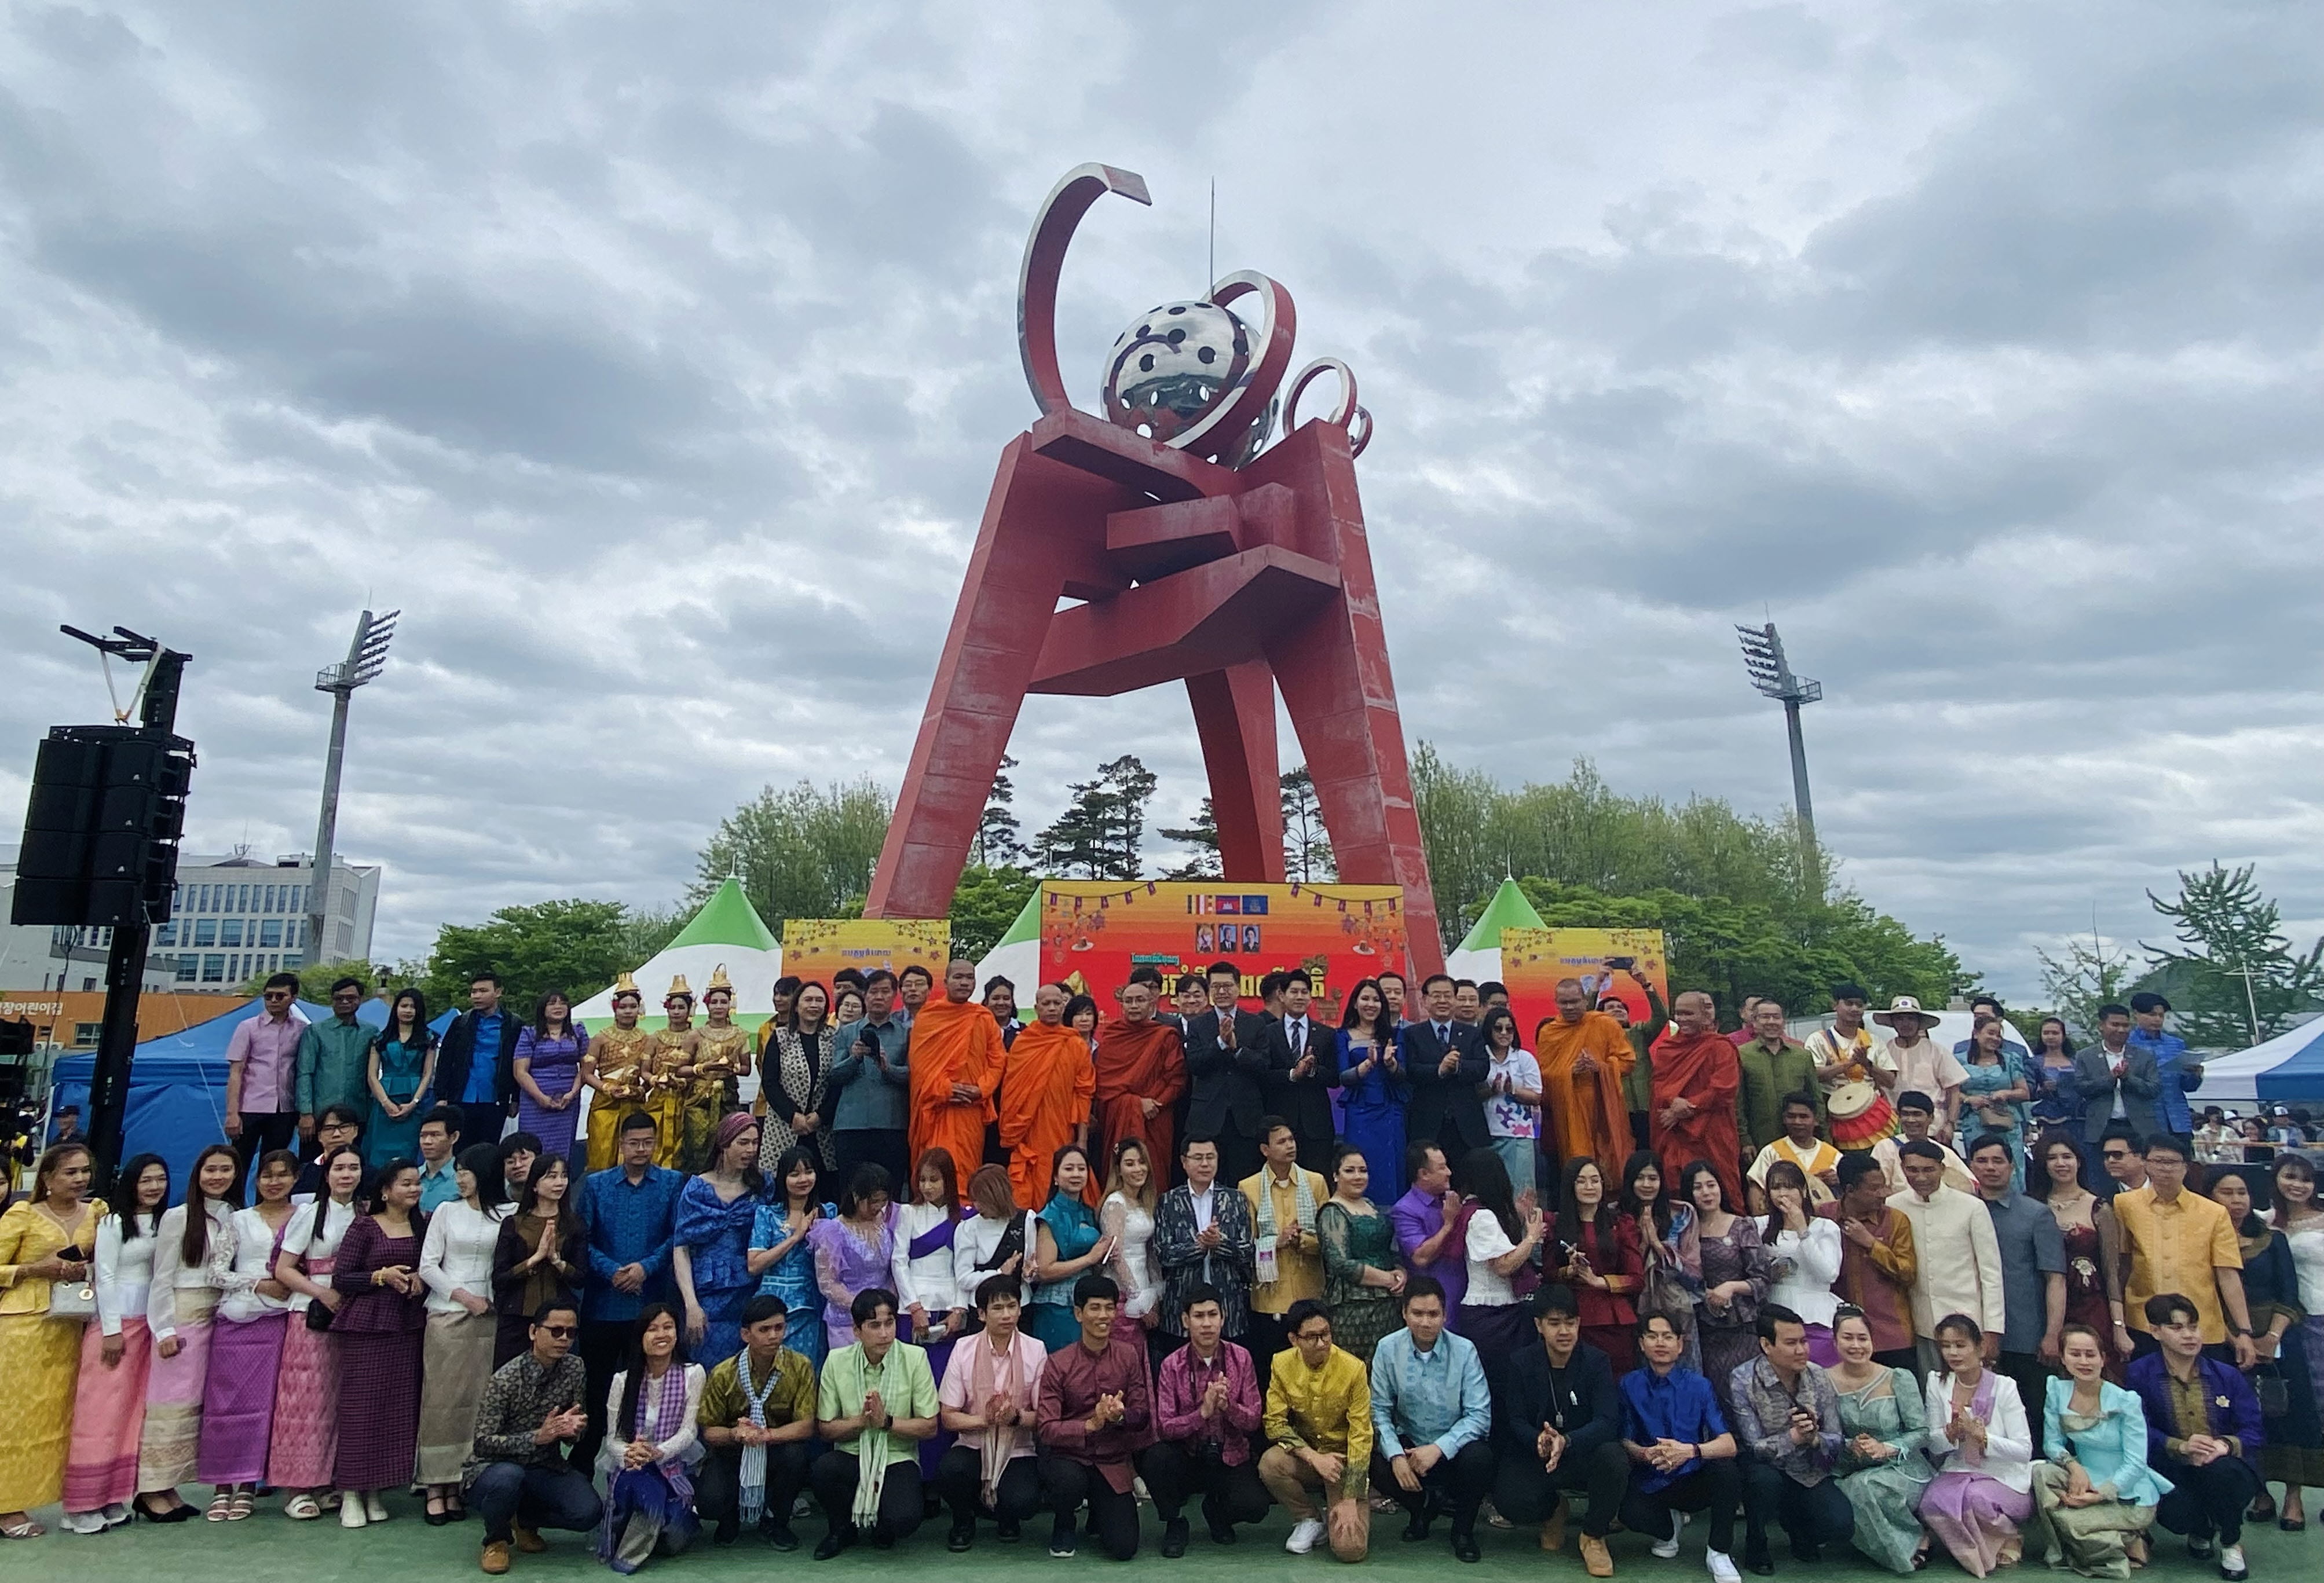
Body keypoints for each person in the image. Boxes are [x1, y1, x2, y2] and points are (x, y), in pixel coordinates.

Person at [0, 1141, 100, 1539]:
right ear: (47, 1178)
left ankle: (44, 1496)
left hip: (71, 1325)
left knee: (53, 1419)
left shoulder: (98, 1213)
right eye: (70, 1173)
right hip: (22, 1326)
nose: (79, 1179)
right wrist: (36, 1269)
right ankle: (7, 1507)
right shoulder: (23, 1214)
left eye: (84, 1171)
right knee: (14, 1419)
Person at [2209, 1167, 2319, 1526]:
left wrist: (2270, 1338)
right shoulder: (2204, 1241)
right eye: (2227, 1193)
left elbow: (2289, 1295)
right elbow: (2206, 1297)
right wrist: (2236, 1337)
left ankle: (2293, 1497)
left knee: (2290, 1414)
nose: (2236, 1201)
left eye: (2242, 1193)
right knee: (2243, 1418)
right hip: (2227, 1342)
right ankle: (2260, 1493)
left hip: (2280, 1337)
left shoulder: (2273, 1240)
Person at [1492, 1283, 1625, 1574]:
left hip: (1580, 1451)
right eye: (1555, 1323)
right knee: (1508, 1499)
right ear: (1539, 1325)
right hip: (1539, 1454)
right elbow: (1514, 1421)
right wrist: (1537, 1439)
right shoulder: (1520, 1362)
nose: (1564, 1331)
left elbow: (1607, 1421)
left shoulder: (1596, 1362)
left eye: (1570, 1322)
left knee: (1615, 1457)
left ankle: (1593, 1535)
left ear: (1579, 1323)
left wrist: (1568, 1441)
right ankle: (1554, 1511)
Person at [463, 1298, 602, 1575]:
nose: (564, 1339)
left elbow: (576, 1421)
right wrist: (536, 1437)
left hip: (544, 1466)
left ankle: (523, 1519)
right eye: (556, 1331)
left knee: (588, 1512)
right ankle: (496, 1539)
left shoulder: (575, 1368)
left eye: (571, 1333)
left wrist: (573, 1431)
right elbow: (482, 1442)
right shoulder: (505, 1378)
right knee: (507, 1479)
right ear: (533, 1332)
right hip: (493, 1467)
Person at [63, 1153, 164, 1531]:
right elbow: (104, 1278)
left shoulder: (163, 1223)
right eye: (146, 1180)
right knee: (99, 1413)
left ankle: (112, 1496)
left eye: (160, 1180)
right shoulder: (113, 1222)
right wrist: (110, 1330)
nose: (154, 1187)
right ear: (131, 1184)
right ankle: (80, 1503)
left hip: (147, 1328)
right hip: (115, 1327)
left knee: (130, 1414)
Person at [2129, 1293, 2261, 1580]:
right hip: (2171, 1467)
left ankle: (2230, 1541)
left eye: (2193, 1327)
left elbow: (2254, 1429)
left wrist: (2223, 1445)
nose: (2189, 1336)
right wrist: (2180, 1446)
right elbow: (2136, 1428)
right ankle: (2201, 1528)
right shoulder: (2138, 1375)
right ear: (2155, 1331)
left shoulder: (2227, 1375)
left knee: (2222, 1472)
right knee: (2177, 1515)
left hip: (2224, 1467)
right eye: (2177, 1328)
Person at [577, 1111, 683, 1468]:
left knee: (647, 1388)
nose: (641, 1149)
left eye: (648, 1143)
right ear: (620, 1144)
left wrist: (645, 1267)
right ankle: (586, 1464)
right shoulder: (596, 1185)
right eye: (634, 1143)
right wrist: (612, 1271)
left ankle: (648, 1461)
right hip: (603, 1305)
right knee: (599, 1389)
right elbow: (582, 1240)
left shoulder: (672, 1183)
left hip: (651, 1305)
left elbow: (678, 1239)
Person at [198, 1147, 299, 1518]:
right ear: (257, 1181)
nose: (275, 1182)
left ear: (295, 1179)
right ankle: (221, 1485)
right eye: (267, 1175)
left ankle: (248, 1486)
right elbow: (216, 1273)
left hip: (281, 1322)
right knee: (226, 1406)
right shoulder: (239, 1220)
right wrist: (259, 1284)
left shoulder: (305, 1217)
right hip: (238, 1321)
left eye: (282, 1175)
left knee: (265, 1408)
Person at [331, 1158, 429, 1528]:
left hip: (408, 1327)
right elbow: (342, 1278)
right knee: (361, 1409)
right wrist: (380, 1276)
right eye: (406, 1183)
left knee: (395, 1409)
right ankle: (351, 1491)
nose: (414, 1189)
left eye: (417, 1183)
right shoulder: (365, 1227)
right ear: (385, 1191)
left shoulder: (425, 1224)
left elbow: (434, 1265)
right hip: (368, 1327)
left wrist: (421, 1278)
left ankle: (376, 1489)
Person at [266, 1144, 363, 1518]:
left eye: (354, 1168)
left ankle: (328, 1479)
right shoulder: (309, 1214)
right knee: (303, 1402)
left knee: (338, 1401)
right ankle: (296, 1487)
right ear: (327, 1174)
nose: (347, 1175)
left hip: (351, 1314)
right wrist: (321, 1292)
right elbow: (285, 1269)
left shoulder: (365, 1213)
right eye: (340, 1168)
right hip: (310, 1312)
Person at [141, 1142, 236, 1515]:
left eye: (225, 1170)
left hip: (220, 1314)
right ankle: (151, 1489)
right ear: (197, 1175)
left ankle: (172, 1488)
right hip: (183, 1313)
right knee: (170, 1403)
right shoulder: (178, 1217)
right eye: (210, 1170)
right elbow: (161, 1278)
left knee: (197, 1404)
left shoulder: (234, 1214)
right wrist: (163, 1329)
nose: (218, 1177)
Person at [1369, 1276, 1492, 1562]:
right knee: (1376, 1461)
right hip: (1410, 1447)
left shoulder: (1465, 1351)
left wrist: (1439, 1449)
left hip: (1453, 1450)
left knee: (1481, 1458)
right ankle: (1421, 1510)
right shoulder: (1387, 1349)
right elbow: (1379, 1410)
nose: (1426, 1322)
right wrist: (1397, 1455)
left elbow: (1480, 1416)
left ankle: (1463, 1531)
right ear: (1404, 1314)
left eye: (1433, 1314)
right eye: (1418, 1314)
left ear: (1445, 1315)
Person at [418, 1142, 511, 1520]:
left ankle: (459, 1483)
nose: (459, 1178)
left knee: (477, 1402)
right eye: (457, 1171)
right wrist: (463, 1297)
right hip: (447, 1314)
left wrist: (485, 1302)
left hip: (490, 1318)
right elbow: (428, 1266)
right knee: (440, 1400)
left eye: (466, 1171)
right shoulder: (445, 1211)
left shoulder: (509, 1212)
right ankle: (433, 1486)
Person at [1143, 1281, 1271, 1553]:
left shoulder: (1242, 1358)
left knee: (1255, 1506)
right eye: (1199, 1316)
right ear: (1185, 1321)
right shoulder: (1171, 1365)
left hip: (1230, 1456)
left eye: (1213, 1315)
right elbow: (1164, 1427)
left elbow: (1254, 1420)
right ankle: (1175, 1523)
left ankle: (1218, 1513)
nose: (1207, 1324)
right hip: (1188, 1455)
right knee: (1156, 1458)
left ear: (1223, 1318)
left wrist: (1228, 1407)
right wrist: (1202, 1412)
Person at [2034, 1321, 2169, 1579]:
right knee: (2042, 1473)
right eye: (2075, 1354)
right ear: (2063, 1358)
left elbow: (2136, 1463)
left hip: (2129, 1492)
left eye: (2090, 1354)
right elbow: (2052, 1443)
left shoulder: (2125, 1401)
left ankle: (2121, 1542)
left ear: (2103, 1359)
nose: (2084, 1361)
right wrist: (2075, 1468)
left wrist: (2101, 1495)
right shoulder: (2057, 1391)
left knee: (2071, 1524)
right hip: (2084, 1478)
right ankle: (2117, 1541)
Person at [813, 1285, 940, 1556]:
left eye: (889, 1323)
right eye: (874, 1325)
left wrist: (887, 1422)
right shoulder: (837, 1361)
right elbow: (826, 1429)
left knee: (902, 1519)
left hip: (897, 1457)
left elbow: (930, 1426)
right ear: (857, 1331)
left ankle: (884, 1526)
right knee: (824, 1468)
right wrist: (863, 1421)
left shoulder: (915, 1358)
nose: (884, 1333)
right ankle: (841, 1530)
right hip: (852, 1453)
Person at [1619, 1309, 1744, 1583]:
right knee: (1627, 1511)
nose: (1660, 1343)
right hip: (1650, 1477)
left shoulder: (1700, 1386)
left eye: (1667, 1337)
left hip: (1691, 1478)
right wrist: (1644, 1453)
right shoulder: (1629, 1384)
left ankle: (1719, 1552)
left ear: (1680, 1344)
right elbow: (1624, 1438)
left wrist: (1689, 1451)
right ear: (1642, 1344)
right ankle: (1667, 1528)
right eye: (1652, 1337)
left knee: (1727, 1471)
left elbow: (1728, 1443)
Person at [1031, 1273, 1149, 1559]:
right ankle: (1064, 1521)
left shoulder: (1129, 1355)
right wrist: (1090, 1425)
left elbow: (1142, 1414)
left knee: (1124, 1549)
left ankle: (1100, 1511)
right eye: (1095, 1308)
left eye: (1110, 1308)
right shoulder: (1058, 1363)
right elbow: (1046, 1428)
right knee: (1066, 1480)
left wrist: (1120, 1417)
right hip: (1069, 1458)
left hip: (1111, 1460)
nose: (1104, 1316)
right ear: (1078, 1313)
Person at [2112, 1132, 2255, 1365]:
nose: (2165, 1168)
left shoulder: (2214, 1213)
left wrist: (2244, 1332)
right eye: (2158, 1161)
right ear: (2145, 1164)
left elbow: (2228, 1275)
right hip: (2144, 1323)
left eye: (2173, 1162)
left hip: (2201, 1325)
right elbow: (2122, 1267)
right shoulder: (2124, 1204)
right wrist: (2118, 1324)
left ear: (2186, 1167)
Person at [1728, 1303, 1852, 1571]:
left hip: (1808, 1469)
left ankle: (1800, 1530)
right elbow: (1753, 1446)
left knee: (1840, 1525)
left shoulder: (1818, 1375)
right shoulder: (1743, 1379)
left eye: (1804, 1341)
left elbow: (1837, 1438)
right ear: (1766, 1345)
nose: (1802, 1350)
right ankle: (1757, 1543)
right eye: (1791, 1343)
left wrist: (1814, 1439)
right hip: (1765, 1468)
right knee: (1762, 1480)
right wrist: (1793, 1437)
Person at [696, 1293, 817, 1551]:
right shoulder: (723, 1373)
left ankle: (778, 1522)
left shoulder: (801, 1366)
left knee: (796, 1457)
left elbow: (806, 1426)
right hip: (734, 1451)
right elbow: (709, 1431)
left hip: (776, 1448)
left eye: (779, 1328)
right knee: (709, 1501)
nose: (774, 1336)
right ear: (745, 1335)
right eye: (764, 1330)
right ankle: (729, 1519)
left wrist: (767, 1436)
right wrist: (735, 1434)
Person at [1920, 1311, 2036, 1577]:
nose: (1953, 1353)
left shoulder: (2005, 1387)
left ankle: (2009, 1537)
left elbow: (2024, 1451)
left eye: (1960, 1345)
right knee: (1932, 1502)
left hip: (2004, 1475)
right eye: (1946, 1346)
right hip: (1957, 1470)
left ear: (1980, 1347)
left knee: (1974, 1500)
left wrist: (1983, 1438)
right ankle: (1975, 1547)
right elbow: (1935, 1445)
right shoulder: (1937, 1384)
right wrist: (1950, 1434)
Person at [935, 1274, 1046, 1549]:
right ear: (982, 1314)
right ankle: (963, 1521)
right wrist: (983, 1420)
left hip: (1018, 1449)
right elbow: (948, 1416)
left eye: (1012, 1307)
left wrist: (1015, 1417)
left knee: (1024, 1501)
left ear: (1021, 1309)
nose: (1007, 1315)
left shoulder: (1036, 1349)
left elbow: (1044, 1417)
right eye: (997, 1308)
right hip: (973, 1444)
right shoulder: (964, 1349)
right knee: (951, 1470)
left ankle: (1007, 1517)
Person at [1258, 1298, 1373, 1560]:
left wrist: (1351, 1498)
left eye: (1326, 1334)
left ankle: (1347, 1504)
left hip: (1342, 1462)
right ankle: (1309, 1518)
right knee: (1270, 1463)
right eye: (1312, 1337)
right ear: (1294, 1339)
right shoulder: (1281, 1364)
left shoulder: (1354, 1369)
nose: (1321, 1343)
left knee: (1350, 1551)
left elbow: (1361, 1436)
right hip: (1309, 1455)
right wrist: (1312, 1457)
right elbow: (1274, 1423)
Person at [1826, 1305, 1933, 1575]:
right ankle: (1888, 1549)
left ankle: (1913, 1543)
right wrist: (1851, 1445)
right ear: (1835, 1340)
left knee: (1867, 1487)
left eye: (1862, 1338)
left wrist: (1887, 1447)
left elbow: (1921, 1431)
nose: (1856, 1345)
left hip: (1901, 1465)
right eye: (1848, 1338)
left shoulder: (1898, 1377)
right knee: (1851, 1487)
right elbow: (1823, 1433)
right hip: (1850, 1465)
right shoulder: (1822, 1381)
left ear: (1872, 1341)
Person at [596, 1303, 704, 1571]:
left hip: (672, 1466)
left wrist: (657, 1453)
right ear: (640, 1337)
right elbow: (613, 1439)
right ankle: (635, 1539)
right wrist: (629, 1453)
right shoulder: (623, 1380)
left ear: (677, 1334)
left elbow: (689, 1431)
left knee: (671, 1538)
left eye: (668, 1327)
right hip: (631, 1466)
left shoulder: (693, 1374)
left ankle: (660, 1526)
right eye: (652, 1329)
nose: (661, 1335)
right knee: (644, 1491)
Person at [1966, 1130, 2066, 1409]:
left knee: (2032, 1413)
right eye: (1982, 1161)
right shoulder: (1963, 1210)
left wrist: (2052, 1334)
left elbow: (2055, 1279)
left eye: (1998, 1161)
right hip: (1973, 1332)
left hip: (2025, 1335)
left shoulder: (2036, 1214)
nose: (1990, 1167)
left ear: (2012, 1167)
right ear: (1972, 1166)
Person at [1891, 1138, 2005, 1375]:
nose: (1921, 1177)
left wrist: (1992, 1329)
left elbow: (1991, 1272)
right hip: (1921, 1323)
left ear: (1942, 1169)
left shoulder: (1971, 1207)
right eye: (1913, 1170)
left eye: (1928, 1170)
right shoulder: (1894, 1206)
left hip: (1968, 1322)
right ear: (1903, 1170)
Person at [672, 1113, 764, 1367]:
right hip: (707, 1295)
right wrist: (691, 1304)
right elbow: (681, 1248)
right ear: (724, 1145)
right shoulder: (696, 1189)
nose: (751, 1150)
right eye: (743, 1143)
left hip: (750, 1291)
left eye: (755, 1143)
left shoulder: (762, 1186)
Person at [1153, 1134, 1257, 1353]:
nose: (1205, 1164)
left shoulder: (1235, 1199)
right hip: (1182, 1300)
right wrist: (1198, 1247)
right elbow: (1163, 1254)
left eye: (1211, 1157)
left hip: (1227, 1301)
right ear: (1184, 1162)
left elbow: (1248, 1251)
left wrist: (1220, 1243)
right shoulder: (1168, 1201)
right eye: (1198, 1158)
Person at [2033, 1131, 2124, 1376]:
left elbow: (2112, 1272)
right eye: (2053, 1158)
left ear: (2079, 1161)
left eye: (2067, 1157)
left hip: (2090, 1307)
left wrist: (2119, 1326)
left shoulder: (2099, 1207)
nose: (2061, 1164)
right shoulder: (2032, 1206)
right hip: (2041, 1308)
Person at [1242, 1117, 1328, 1378]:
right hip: (1270, 1297)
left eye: (1291, 1140)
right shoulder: (1248, 1187)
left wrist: (1303, 1242)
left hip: (1309, 1289)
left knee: (1313, 1370)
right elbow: (1245, 1246)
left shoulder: (1315, 1182)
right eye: (1281, 1142)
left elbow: (1327, 1240)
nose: (1290, 1146)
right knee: (1275, 1373)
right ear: (1265, 1150)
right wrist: (1276, 1242)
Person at [1817, 1152, 1919, 1372]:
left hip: (1892, 1334)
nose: (1883, 1194)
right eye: (1874, 1189)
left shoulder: (1895, 1220)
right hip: (1842, 1335)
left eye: (1884, 1186)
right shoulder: (1822, 1218)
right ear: (1850, 1190)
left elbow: (1908, 1273)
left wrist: (1871, 1244)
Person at [907, 961, 1002, 1193]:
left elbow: (997, 1060)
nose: (964, 982)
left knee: (967, 1169)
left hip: (971, 1108)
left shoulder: (983, 1017)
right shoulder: (929, 1016)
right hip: (937, 1109)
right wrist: (947, 1089)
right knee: (935, 1167)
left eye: (970, 978)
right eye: (958, 977)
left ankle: (964, 1215)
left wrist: (981, 1089)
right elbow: (919, 1066)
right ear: (946, 982)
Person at [1683, 1159, 1770, 1408]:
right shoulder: (1684, 1232)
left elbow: (1763, 1280)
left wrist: (1731, 1287)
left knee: (1749, 1396)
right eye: (1698, 1187)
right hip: (1702, 1329)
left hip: (1741, 1327)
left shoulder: (1742, 1226)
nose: (1706, 1192)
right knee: (1714, 1398)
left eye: (1711, 1185)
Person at [997, 983, 1093, 1211]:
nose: (1052, 1008)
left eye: (1057, 1003)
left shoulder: (1076, 1044)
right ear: (1036, 1008)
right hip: (1028, 1133)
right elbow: (1011, 1094)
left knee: (1059, 1179)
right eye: (1046, 1004)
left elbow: (1084, 1094)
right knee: (1029, 1190)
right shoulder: (1023, 1043)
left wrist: (1081, 1141)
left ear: (1064, 1007)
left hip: (1062, 1132)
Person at [1535, 977, 1637, 1182]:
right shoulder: (1549, 1033)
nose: (1570, 1007)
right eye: (1564, 1003)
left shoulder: (1605, 1024)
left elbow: (1628, 1062)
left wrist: (1600, 1067)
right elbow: (1544, 1077)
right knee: (1579, 1163)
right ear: (1556, 1003)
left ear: (1584, 1000)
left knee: (1611, 1161)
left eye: (1575, 1001)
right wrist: (1569, 1072)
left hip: (1605, 1109)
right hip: (1571, 1112)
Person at [2270, 1154, 2324, 1528]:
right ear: (2275, 1180)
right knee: (2297, 1410)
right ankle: (2293, 1495)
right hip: (2288, 1326)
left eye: (2304, 1179)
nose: (2297, 1185)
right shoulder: (2264, 1222)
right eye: (2289, 1177)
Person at [1655, 991, 1745, 1211]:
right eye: (1678, 1014)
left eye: (1688, 1013)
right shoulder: (1668, 1048)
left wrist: (1687, 1107)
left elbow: (1724, 1089)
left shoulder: (1720, 1046)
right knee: (1678, 1184)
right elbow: (1658, 1085)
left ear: (1706, 1016)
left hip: (1713, 1130)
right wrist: (1673, 1101)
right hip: (1678, 1133)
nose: (1682, 1019)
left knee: (1722, 1183)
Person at [492, 1152, 585, 1366]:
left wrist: (556, 1260)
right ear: (534, 1185)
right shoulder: (514, 1223)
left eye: (564, 1176)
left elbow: (580, 1277)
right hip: (517, 1316)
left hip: (560, 1321)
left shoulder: (574, 1224)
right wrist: (534, 1259)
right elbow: (499, 1278)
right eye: (551, 1176)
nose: (559, 1182)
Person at [1093, 977, 1188, 1184]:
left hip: (1156, 1118)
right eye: (1129, 1001)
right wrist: (1137, 1104)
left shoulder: (1165, 1036)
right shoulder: (1112, 1036)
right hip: (1119, 1116)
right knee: (1119, 1170)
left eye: (1140, 1000)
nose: (1134, 1006)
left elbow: (1177, 1079)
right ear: (1122, 1004)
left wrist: (1155, 1104)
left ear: (1152, 1002)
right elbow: (1104, 1085)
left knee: (1154, 1174)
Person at [894, 1147, 968, 1408]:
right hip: (913, 1309)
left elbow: (964, 1268)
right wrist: (914, 1307)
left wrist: (959, 1310)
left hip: (949, 1311)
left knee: (946, 1384)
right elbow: (899, 1261)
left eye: (934, 1180)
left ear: (948, 1180)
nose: (927, 1187)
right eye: (922, 1180)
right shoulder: (907, 1213)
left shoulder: (963, 1218)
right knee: (911, 1384)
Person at [1461, 1147, 1548, 1369]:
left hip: (1500, 1311)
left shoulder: (1475, 1210)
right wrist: (1531, 1237)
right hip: (1492, 1314)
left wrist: (1517, 1215)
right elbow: (1503, 1265)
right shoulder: (1483, 1217)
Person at [1317, 1141, 1403, 1363]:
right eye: (1350, 1171)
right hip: (1353, 1307)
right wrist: (1386, 1279)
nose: (1358, 1176)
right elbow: (1339, 1263)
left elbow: (1387, 1250)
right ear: (1335, 1176)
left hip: (1389, 1303)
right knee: (1357, 1369)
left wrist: (1401, 1273)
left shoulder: (1371, 1205)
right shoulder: (1332, 1212)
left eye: (1363, 1171)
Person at [1556, 1153, 1642, 1370]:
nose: (1589, 1187)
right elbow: (1549, 1274)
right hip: (1572, 1316)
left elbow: (1637, 1279)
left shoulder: (1621, 1224)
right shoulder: (1558, 1224)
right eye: (1582, 1181)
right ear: (1570, 1186)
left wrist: (1598, 1281)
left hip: (1613, 1318)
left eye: (1595, 1181)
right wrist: (1570, 1270)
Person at [748, 1146, 830, 1371]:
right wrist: (796, 1237)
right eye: (794, 1174)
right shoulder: (767, 1214)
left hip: (809, 1308)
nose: (803, 1179)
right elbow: (754, 1265)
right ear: (782, 1178)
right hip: (769, 1309)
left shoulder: (828, 1213)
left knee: (806, 1373)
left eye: (809, 1172)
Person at [829, 969, 912, 1188]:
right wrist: (854, 1059)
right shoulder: (847, 1032)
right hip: (850, 1125)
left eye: (885, 991)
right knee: (851, 1192)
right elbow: (834, 1075)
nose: (879, 997)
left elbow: (914, 1076)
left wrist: (888, 1068)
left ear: (895, 995)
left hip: (892, 1124)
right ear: (865, 995)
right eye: (874, 992)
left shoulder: (906, 1034)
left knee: (889, 1191)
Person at [1332, 977, 1410, 1201]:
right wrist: (1367, 1065)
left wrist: (1389, 1063)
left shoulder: (1395, 1035)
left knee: (1390, 1166)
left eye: (1376, 1000)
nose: (1371, 1004)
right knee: (1360, 1161)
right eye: (1365, 998)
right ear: (1355, 1003)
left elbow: (1403, 1074)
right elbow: (1343, 1077)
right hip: (1359, 1110)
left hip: (1390, 1109)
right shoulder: (1343, 1035)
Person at [1029, 1143, 1111, 1353]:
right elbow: (1046, 1270)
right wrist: (1090, 1259)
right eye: (1069, 1169)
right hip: (1057, 1307)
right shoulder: (1049, 1216)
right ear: (1055, 1177)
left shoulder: (1088, 1211)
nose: (1076, 1174)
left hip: (1086, 1303)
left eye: (1082, 1169)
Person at [1760, 1160, 1843, 1366]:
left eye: (1789, 1187)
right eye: (1776, 1188)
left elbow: (1829, 1274)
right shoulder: (1759, 1226)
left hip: (1816, 1315)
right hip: (1774, 1313)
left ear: (1804, 1191)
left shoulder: (1825, 1227)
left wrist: (1802, 1231)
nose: (1783, 1194)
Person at [1401, 974, 1492, 1161]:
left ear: (1455, 999)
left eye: (1448, 995)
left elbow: (1482, 1067)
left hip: (1466, 1124)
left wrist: (1458, 1066)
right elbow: (1410, 1070)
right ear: (1424, 1000)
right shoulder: (1411, 1034)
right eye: (1436, 996)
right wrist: (1439, 1070)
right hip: (1427, 1122)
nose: (1442, 1001)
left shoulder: (1472, 1033)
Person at [225, 973, 309, 1169]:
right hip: (250, 1107)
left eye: (280, 996)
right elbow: (236, 1072)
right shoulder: (248, 1027)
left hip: (285, 1109)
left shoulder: (302, 1029)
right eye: (268, 996)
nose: (273, 1001)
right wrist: (232, 1114)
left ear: (293, 998)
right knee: (239, 1164)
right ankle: (233, 1201)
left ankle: (269, 1201)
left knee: (274, 1166)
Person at [757, 980, 836, 1187]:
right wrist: (793, 1116)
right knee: (782, 1182)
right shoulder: (781, 1037)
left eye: (819, 1000)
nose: (814, 1005)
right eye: (808, 1000)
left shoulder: (833, 1038)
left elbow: (837, 1083)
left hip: (821, 1127)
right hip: (786, 1125)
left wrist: (819, 1117)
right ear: (797, 1006)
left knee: (820, 1184)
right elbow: (770, 1082)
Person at [581, 974, 656, 1173]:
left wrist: (641, 1089)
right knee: (601, 1153)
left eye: (633, 1007)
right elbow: (587, 1074)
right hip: (605, 1102)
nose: (628, 1011)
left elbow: (650, 1073)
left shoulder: (646, 1039)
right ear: (615, 1008)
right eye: (623, 1007)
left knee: (633, 1153)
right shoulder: (601, 1038)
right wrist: (607, 1088)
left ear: (639, 1008)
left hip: (634, 1101)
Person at [440, 972, 521, 1155]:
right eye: (473, 992)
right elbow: (445, 1059)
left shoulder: (513, 1024)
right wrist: (441, 1095)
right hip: (461, 1096)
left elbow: (518, 1063)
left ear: (498, 992)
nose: (476, 996)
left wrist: (515, 1098)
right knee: (459, 1151)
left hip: (494, 1098)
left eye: (483, 991)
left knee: (488, 1152)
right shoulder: (461, 1022)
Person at [682, 966, 753, 1172]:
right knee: (697, 1148)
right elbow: (680, 1070)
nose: (719, 1006)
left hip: (728, 1096)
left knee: (728, 1145)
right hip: (699, 1100)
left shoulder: (740, 1034)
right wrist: (705, 1068)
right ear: (707, 1005)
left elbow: (747, 1068)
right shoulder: (695, 1035)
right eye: (714, 1002)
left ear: (730, 1004)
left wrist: (733, 1068)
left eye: (723, 1002)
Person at [1472, 1006, 1543, 1197]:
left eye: (1509, 1029)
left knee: (1522, 1191)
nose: (1504, 1033)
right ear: (1488, 1030)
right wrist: (1492, 1091)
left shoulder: (1524, 1058)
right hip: (1486, 1133)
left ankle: (1527, 1227)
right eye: (1498, 1028)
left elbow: (1536, 1097)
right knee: (1492, 1192)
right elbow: (1471, 1096)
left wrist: (1513, 1090)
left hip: (1519, 1135)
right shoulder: (1480, 1057)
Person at [513, 991, 588, 1169]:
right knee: (532, 1149)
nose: (558, 1007)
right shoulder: (529, 1034)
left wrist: (571, 1094)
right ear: (543, 1008)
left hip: (568, 1101)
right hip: (535, 1102)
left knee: (563, 1151)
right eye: (552, 1003)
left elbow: (586, 1067)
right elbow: (520, 1072)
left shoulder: (578, 1032)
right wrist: (541, 1098)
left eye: (563, 1003)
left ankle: (559, 1187)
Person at [1873, 996, 1966, 1142]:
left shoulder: (1936, 1050)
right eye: (1900, 1019)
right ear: (1893, 1022)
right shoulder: (1884, 1051)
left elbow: (1954, 1090)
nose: (1906, 1024)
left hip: (1932, 1126)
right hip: (1894, 1125)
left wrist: (1950, 1124)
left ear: (1919, 1023)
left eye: (1911, 1019)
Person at [1392, 1142, 1467, 1322]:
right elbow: (1420, 1257)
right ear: (1424, 1174)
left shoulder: (1452, 1200)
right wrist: (1448, 1225)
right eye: (1442, 1168)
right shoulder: (1405, 1209)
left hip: (1465, 1299)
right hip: (1432, 1302)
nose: (1449, 1172)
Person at [1734, 999, 1818, 1160]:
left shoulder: (1802, 1055)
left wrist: (1822, 1137)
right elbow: (1737, 1103)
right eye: (1765, 1017)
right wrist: (1744, 1140)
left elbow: (1815, 1099)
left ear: (1784, 1022)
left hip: (1800, 1140)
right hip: (1759, 1140)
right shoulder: (1741, 1055)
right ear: (1755, 1022)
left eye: (1776, 1017)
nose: (1771, 1022)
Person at [297, 976, 375, 1146]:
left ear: (360, 1000)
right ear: (332, 1001)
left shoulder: (371, 1032)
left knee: (352, 1165)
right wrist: (305, 1113)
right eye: (339, 998)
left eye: (351, 998)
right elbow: (305, 1073)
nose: (345, 1002)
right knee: (314, 1166)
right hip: (319, 1115)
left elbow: (373, 1075)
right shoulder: (316, 1031)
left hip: (358, 1114)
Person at [1100, 1138, 1163, 1342]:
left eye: (1141, 1162)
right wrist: (1138, 1299)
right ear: (1118, 1170)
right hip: (1122, 1292)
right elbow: (1115, 1255)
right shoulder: (1115, 1203)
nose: (1138, 1169)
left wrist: (1155, 1290)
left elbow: (1150, 1251)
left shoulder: (1144, 1202)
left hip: (1143, 1285)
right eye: (1129, 1164)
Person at [365, 988, 437, 1167]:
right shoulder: (379, 1039)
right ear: (396, 1008)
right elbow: (372, 1075)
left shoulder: (429, 1038)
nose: (408, 1011)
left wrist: (414, 1102)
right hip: (384, 1101)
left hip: (415, 1101)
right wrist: (385, 1103)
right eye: (404, 1006)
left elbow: (428, 1073)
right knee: (378, 1153)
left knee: (411, 1152)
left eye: (413, 1007)